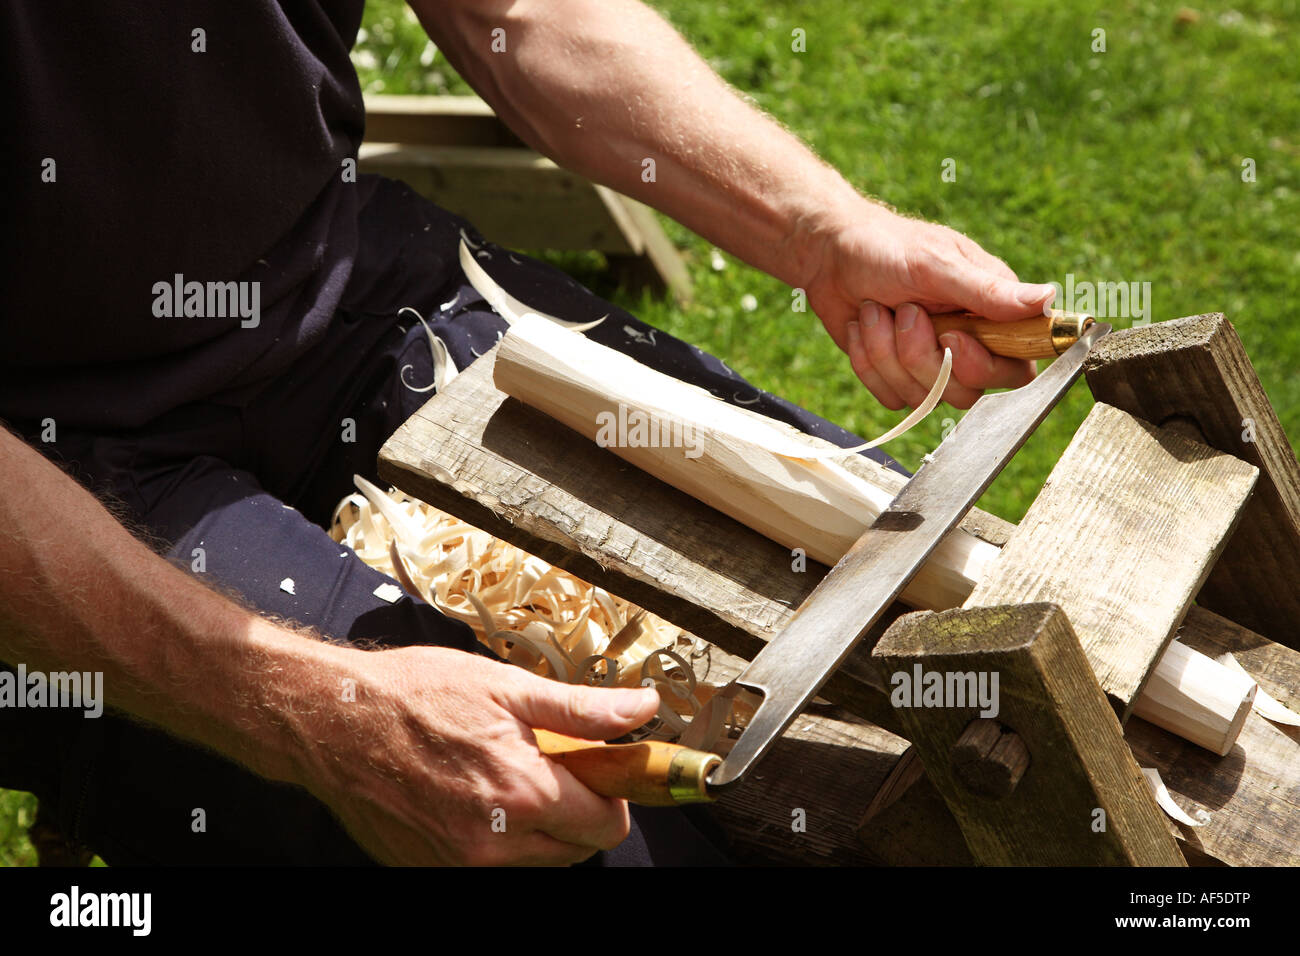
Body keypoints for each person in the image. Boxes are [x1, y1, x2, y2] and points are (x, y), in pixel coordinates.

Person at [1, 0, 1056, 866]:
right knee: (608, 848)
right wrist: (321, 714)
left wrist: (817, 228)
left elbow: (517, 12)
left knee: (929, 635)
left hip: (339, 289)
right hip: (50, 456)